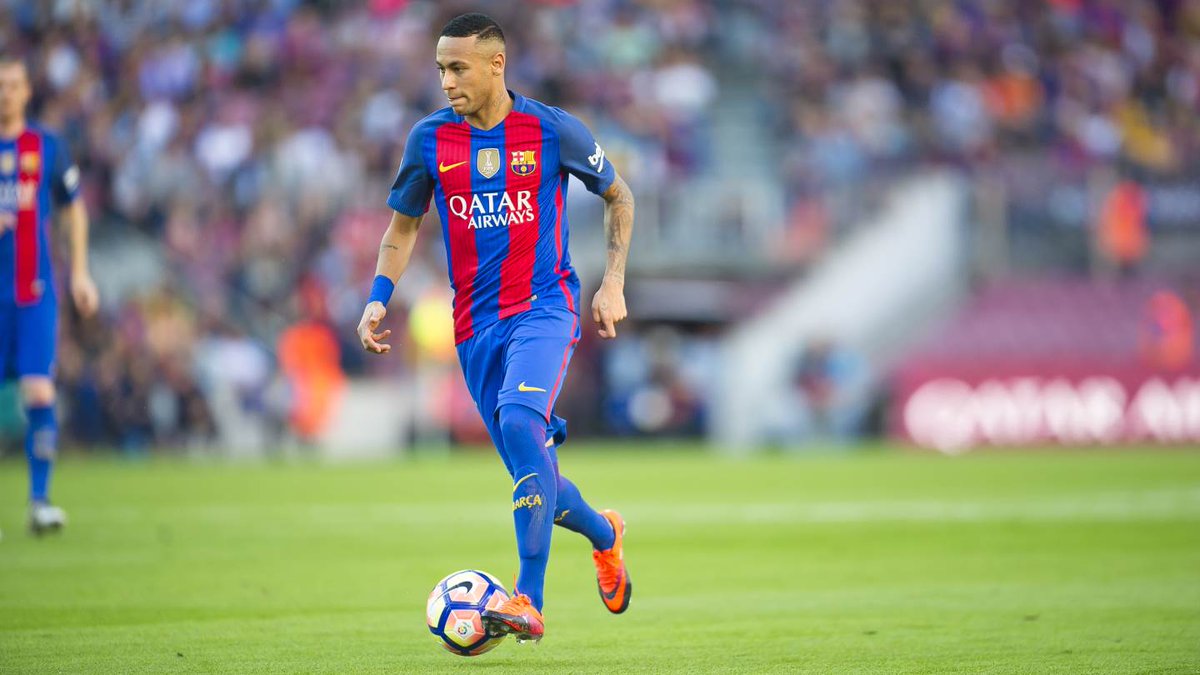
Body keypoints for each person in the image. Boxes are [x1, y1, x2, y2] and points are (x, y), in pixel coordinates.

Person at [356, 13, 634, 643]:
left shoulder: (552, 129)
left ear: (496, 65)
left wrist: (613, 281)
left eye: (458, 68)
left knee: (518, 420)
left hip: (544, 307)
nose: (446, 81)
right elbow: (402, 227)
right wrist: (377, 298)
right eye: (440, 69)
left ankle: (527, 600)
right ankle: (605, 533)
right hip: (473, 327)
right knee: (536, 477)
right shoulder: (429, 139)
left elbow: (620, 195)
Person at [0, 58, 99, 538]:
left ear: (27, 91)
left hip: (33, 292)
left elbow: (73, 209)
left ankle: (39, 502)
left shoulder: (47, 146)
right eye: (0, 85)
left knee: (40, 389)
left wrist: (80, 272)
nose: (6, 93)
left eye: (13, 85)